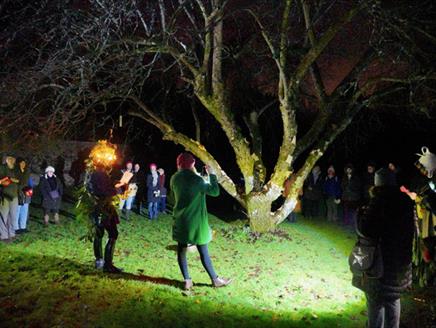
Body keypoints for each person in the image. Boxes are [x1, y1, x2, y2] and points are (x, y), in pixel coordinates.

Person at [352, 168, 414, 328]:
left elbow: (366, 230)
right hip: (401, 264)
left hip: (380, 265)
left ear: (377, 184)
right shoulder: (407, 203)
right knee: (393, 300)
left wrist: (360, 215)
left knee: (375, 302)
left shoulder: (379, 202)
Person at [171, 152, 231, 290]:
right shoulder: (197, 180)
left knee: (181, 251)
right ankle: (215, 280)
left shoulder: (175, 178)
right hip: (196, 222)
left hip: (180, 219)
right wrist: (212, 175)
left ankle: (187, 281)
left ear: (179, 164)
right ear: (192, 164)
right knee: (203, 251)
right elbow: (214, 191)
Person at [85, 141, 122, 273]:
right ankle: (107, 264)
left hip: (96, 207)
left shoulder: (92, 174)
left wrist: (113, 185)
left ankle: (99, 261)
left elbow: (96, 188)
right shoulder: (100, 174)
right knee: (113, 234)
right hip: (104, 208)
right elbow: (105, 191)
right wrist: (117, 189)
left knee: (98, 234)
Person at [0, 155, 20, 242]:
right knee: (3, 216)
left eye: (13, 159)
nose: (11, 160)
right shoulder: (2, 168)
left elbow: (20, 180)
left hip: (14, 196)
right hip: (4, 196)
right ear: (7, 160)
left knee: (13, 216)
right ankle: (3, 236)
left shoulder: (16, 169)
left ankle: (12, 234)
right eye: (9, 159)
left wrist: (12, 179)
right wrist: (7, 180)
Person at [15, 157, 33, 234]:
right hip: (18, 194)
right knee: (17, 211)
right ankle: (15, 227)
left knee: (24, 211)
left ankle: (23, 227)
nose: (23, 164)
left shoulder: (27, 172)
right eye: (21, 163)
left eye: (24, 163)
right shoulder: (15, 172)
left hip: (26, 194)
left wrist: (30, 189)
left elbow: (30, 183)